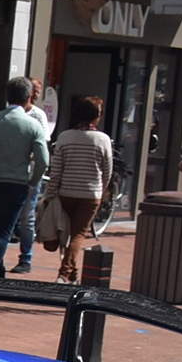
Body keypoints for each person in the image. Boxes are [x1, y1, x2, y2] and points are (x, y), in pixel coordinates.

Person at [0, 75, 49, 280]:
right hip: (16, 184)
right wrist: (32, 181)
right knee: (4, 230)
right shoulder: (33, 125)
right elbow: (43, 160)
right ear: (29, 96)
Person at [45, 96, 116, 284]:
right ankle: (64, 274)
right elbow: (107, 170)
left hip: (66, 192)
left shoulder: (65, 137)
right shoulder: (102, 139)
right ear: (96, 116)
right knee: (78, 234)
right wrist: (101, 190)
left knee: (65, 233)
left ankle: (72, 275)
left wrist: (50, 193)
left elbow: (56, 169)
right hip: (90, 194)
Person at [15, 78, 55, 271]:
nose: (36, 93)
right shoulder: (8, 112)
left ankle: (26, 258)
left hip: (29, 173)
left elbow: (43, 145)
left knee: (27, 218)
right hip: (10, 173)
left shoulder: (38, 115)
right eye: (34, 89)